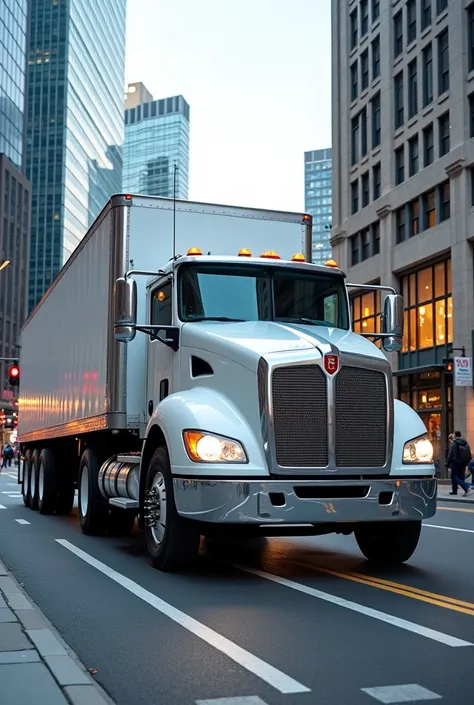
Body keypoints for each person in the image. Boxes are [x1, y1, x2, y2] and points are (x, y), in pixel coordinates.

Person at [446, 431, 472, 496]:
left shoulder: (454, 443)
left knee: (454, 477)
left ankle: (466, 487)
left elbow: (450, 454)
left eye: (453, 434)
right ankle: (455, 491)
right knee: (461, 477)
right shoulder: (465, 442)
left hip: (455, 462)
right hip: (463, 462)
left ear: (455, 435)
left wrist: (447, 462)